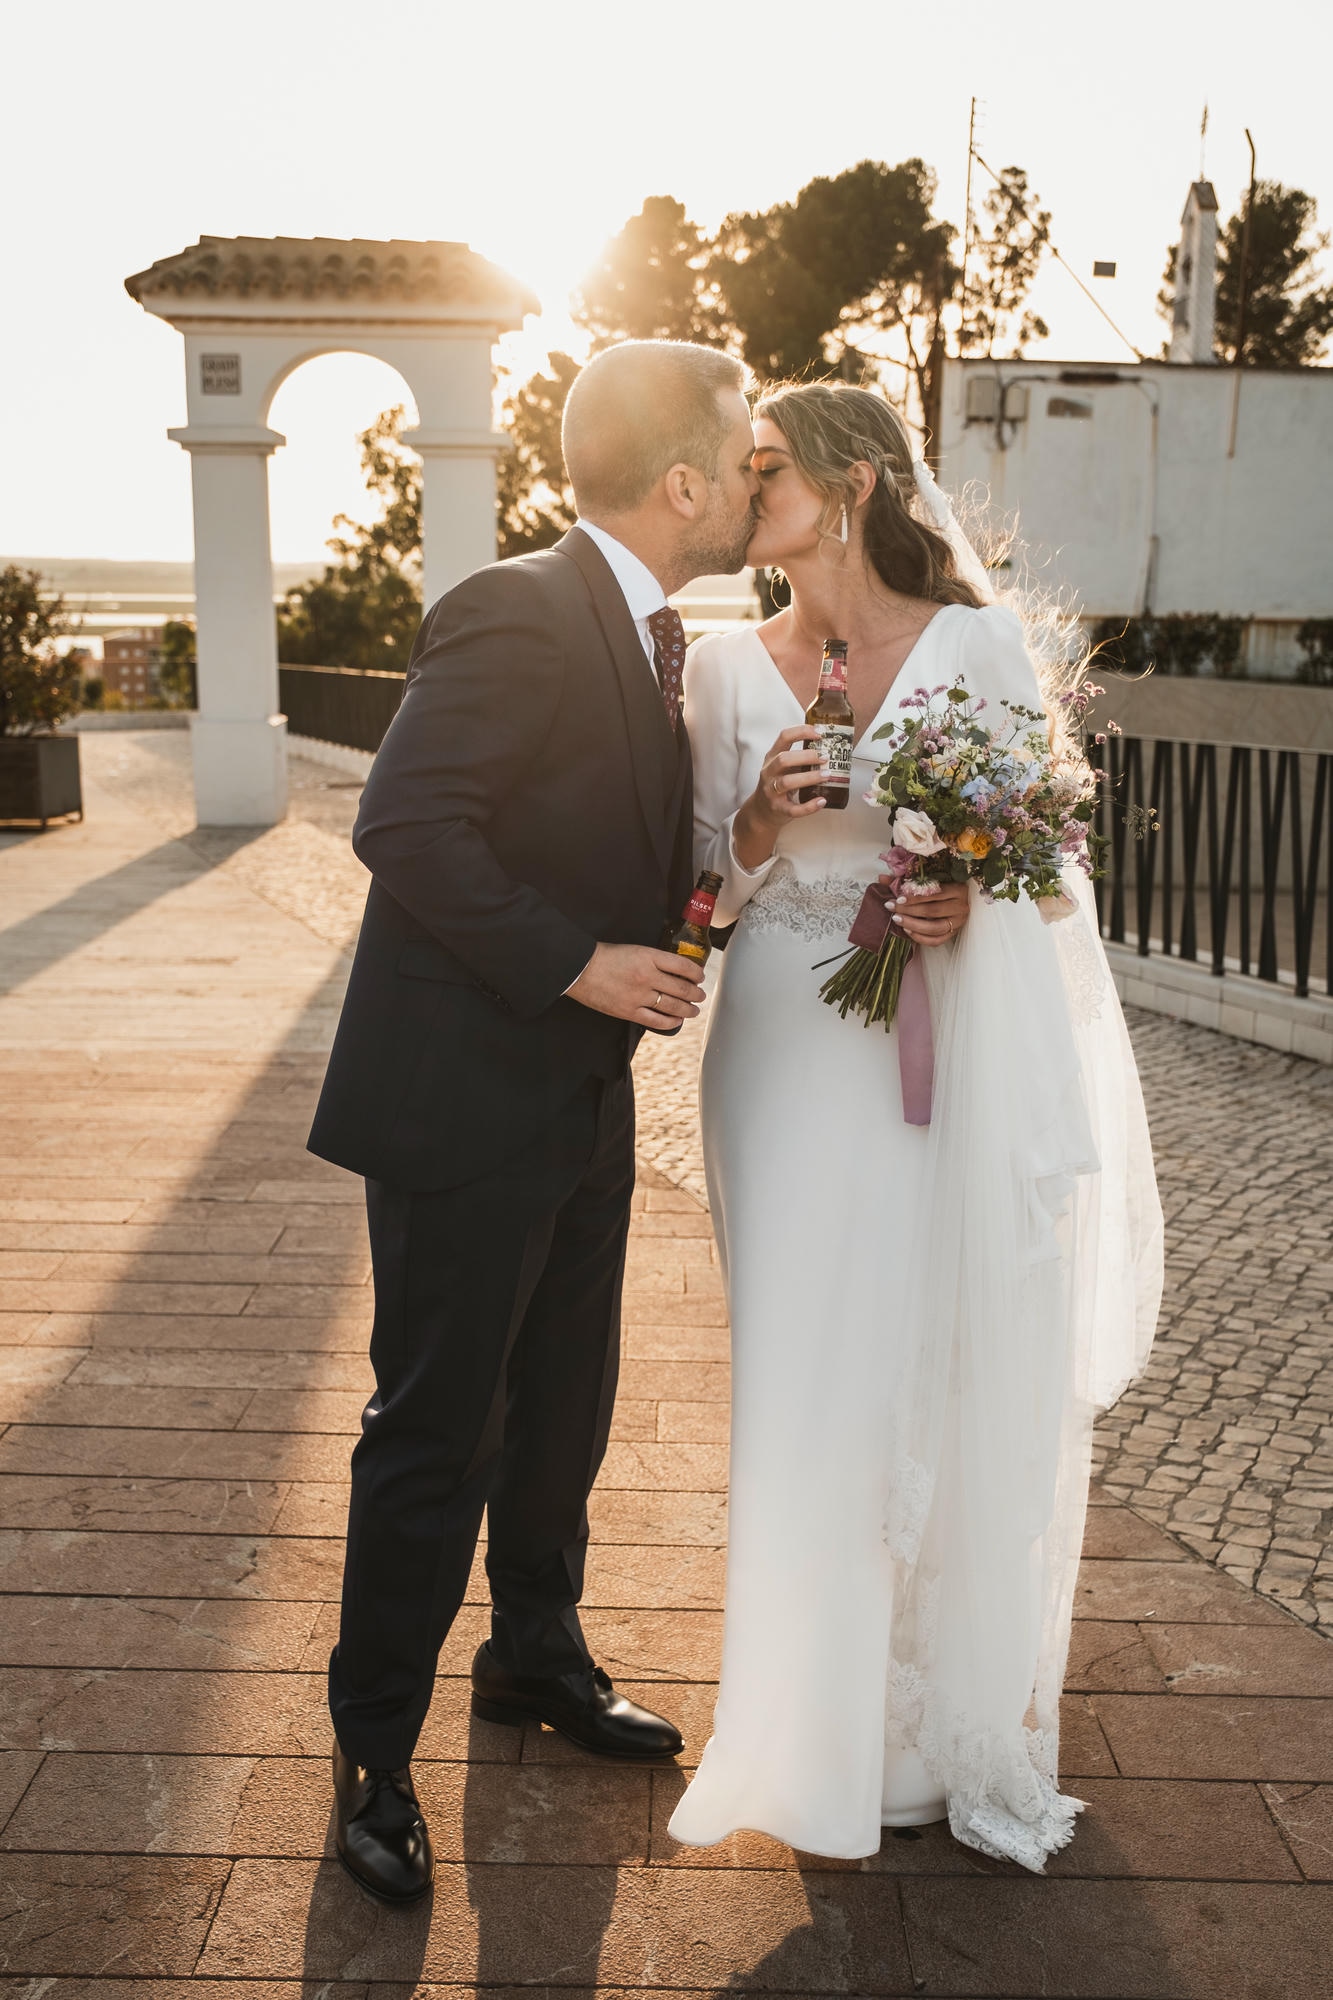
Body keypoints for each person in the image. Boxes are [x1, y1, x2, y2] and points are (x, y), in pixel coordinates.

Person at [667, 382, 1163, 1871]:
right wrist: (755, 821)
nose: (744, 489)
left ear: (857, 481)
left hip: (932, 1040)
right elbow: (697, 880)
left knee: (926, 1356)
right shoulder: (720, 667)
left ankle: (926, 1721)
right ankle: (800, 1728)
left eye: (767, 467)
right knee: (802, 1370)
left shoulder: (976, 646)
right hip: (779, 1051)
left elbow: (1043, 882)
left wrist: (963, 897)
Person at [307, 340, 761, 1904]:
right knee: (438, 1434)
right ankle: (374, 1758)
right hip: (457, 1102)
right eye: (744, 449)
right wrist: (577, 966)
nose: (759, 469)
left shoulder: (657, 643)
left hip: (573, 1101)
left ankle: (533, 1656)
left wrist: (714, 893)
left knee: (564, 1404)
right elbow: (404, 823)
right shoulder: (514, 606)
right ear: (683, 482)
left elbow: (630, 858)